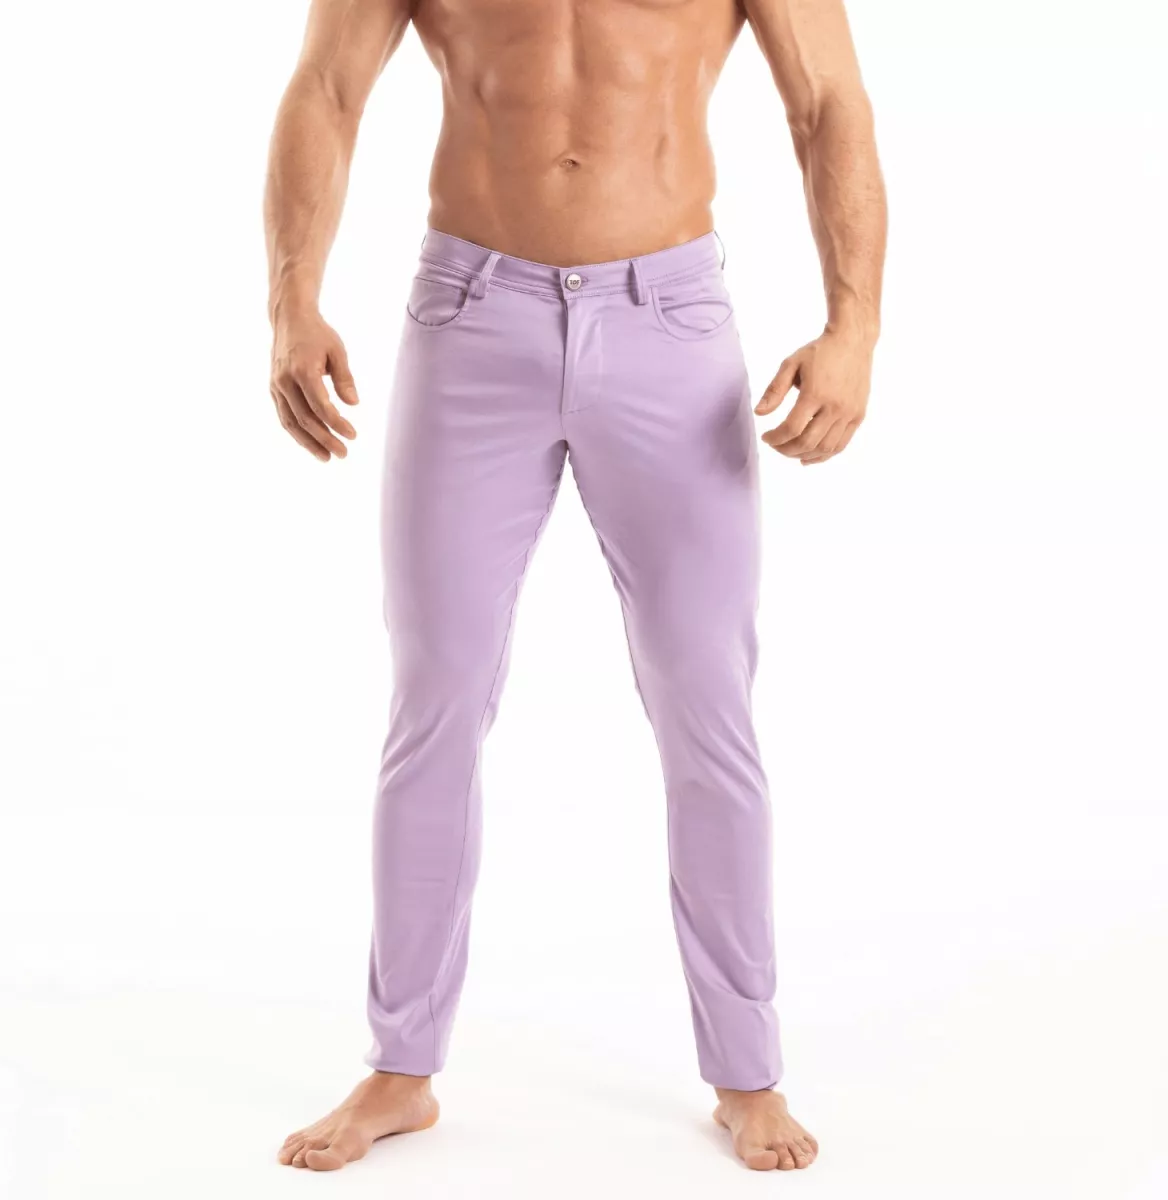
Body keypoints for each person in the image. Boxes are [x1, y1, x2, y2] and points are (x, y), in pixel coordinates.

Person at [265, 0, 885, 1174]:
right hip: (470, 316)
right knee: (436, 700)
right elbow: (327, 90)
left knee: (707, 705)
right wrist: (291, 298)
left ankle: (747, 1071)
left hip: (669, 321)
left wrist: (853, 326)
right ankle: (401, 1067)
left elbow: (827, 102)